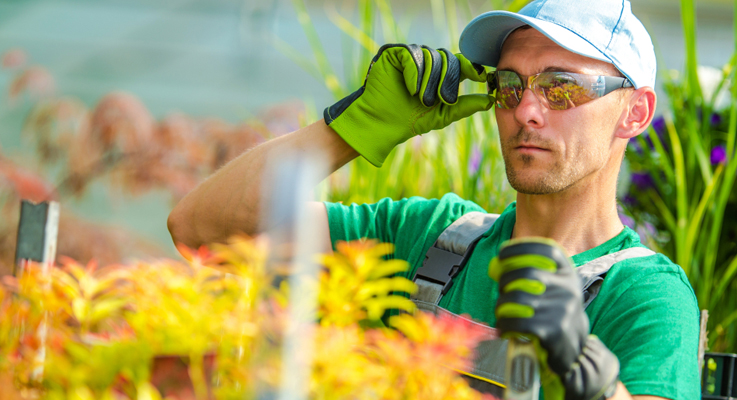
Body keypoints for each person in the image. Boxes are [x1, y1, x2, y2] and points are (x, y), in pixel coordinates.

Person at [168, 0, 700, 399]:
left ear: (634, 112)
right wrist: (353, 129)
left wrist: (586, 367)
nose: (526, 111)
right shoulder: (427, 239)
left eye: (561, 87)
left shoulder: (645, 297)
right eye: (510, 85)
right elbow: (200, 226)